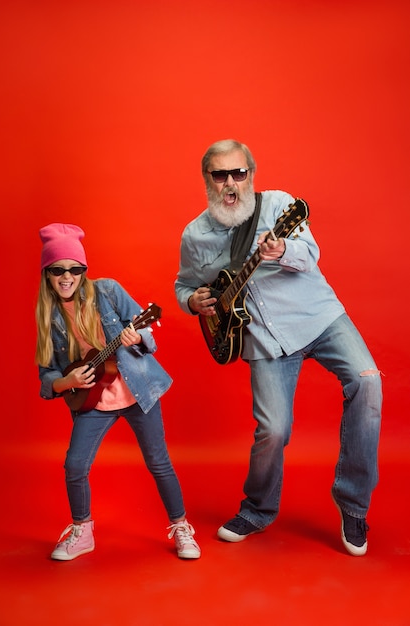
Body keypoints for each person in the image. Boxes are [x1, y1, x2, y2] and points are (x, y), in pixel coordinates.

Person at [175, 139, 382, 556]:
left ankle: (353, 504)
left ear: (251, 174)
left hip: (318, 317)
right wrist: (193, 301)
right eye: (221, 175)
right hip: (264, 339)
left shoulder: (279, 207)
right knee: (273, 430)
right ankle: (257, 509)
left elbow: (311, 254)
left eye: (239, 173)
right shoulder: (195, 235)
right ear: (207, 180)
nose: (231, 183)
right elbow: (184, 285)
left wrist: (282, 248)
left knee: (369, 382)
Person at [35, 223, 201, 561]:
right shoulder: (49, 318)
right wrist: (67, 383)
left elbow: (150, 334)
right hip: (92, 401)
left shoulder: (108, 291)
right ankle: (82, 531)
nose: (67, 277)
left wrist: (136, 337)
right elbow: (47, 375)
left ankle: (181, 526)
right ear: (47, 275)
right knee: (74, 465)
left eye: (74, 269)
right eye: (58, 270)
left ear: (83, 271)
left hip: (138, 392)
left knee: (159, 461)